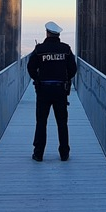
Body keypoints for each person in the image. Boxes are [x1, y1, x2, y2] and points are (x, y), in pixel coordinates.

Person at [27, 21, 77, 161]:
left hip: (43, 90)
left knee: (41, 122)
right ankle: (64, 153)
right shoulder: (66, 49)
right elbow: (73, 69)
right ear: (58, 34)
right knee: (62, 122)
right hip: (60, 90)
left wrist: (37, 78)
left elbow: (30, 68)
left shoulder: (39, 49)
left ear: (47, 33)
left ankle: (38, 153)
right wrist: (66, 78)